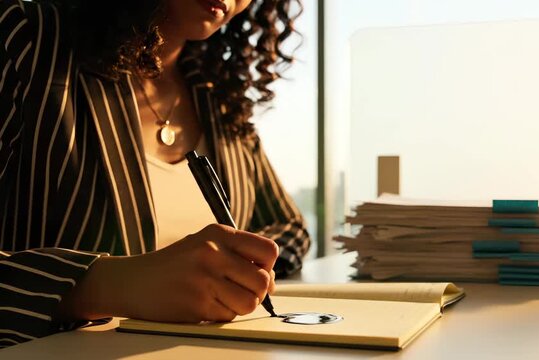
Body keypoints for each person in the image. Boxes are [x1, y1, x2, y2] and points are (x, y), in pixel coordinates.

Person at [0, 0, 310, 348]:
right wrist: (109, 285)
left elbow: (290, 227)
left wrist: (233, 269)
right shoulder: (29, 38)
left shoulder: (216, 97)